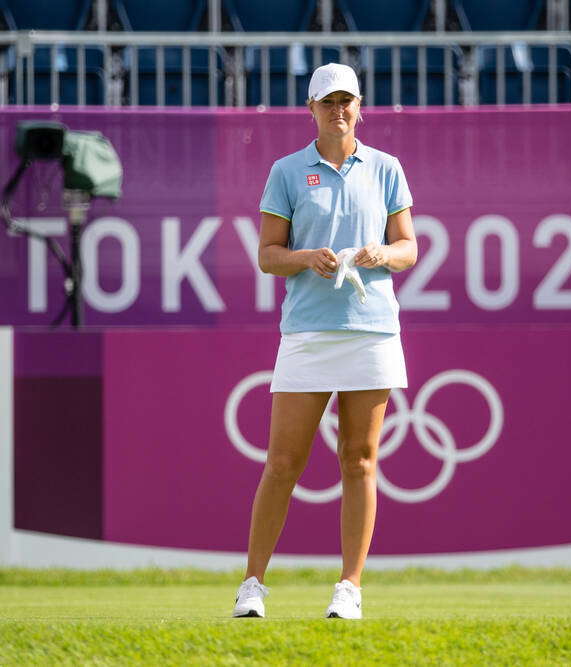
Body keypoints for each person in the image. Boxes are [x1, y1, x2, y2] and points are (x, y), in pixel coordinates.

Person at [232, 63, 417, 620]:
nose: (339, 110)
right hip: (309, 330)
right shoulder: (287, 172)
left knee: (359, 460)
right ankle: (252, 585)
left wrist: (383, 253)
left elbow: (408, 246)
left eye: (348, 101)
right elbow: (268, 255)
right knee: (283, 461)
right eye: (328, 101)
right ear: (311, 109)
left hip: (371, 328)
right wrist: (304, 258)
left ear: (360, 107)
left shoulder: (386, 169)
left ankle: (350, 587)